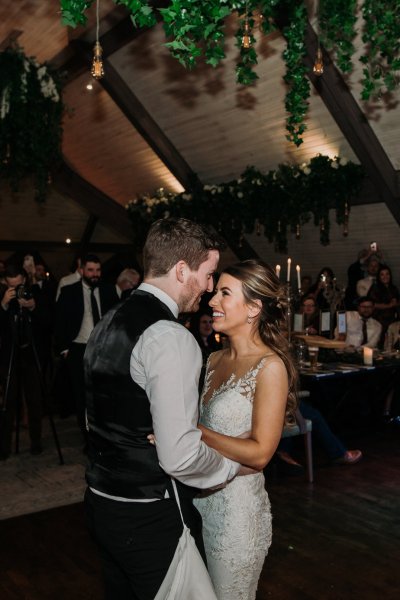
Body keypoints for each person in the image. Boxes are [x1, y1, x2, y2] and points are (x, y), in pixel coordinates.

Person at [84, 218, 240, 600]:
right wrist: (229, 468)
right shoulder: (170, 337)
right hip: (148, 513)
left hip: (99, 502)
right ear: (181, 269)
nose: (208, 288)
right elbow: (179, 456)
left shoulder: (107, 321)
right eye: (207, 274)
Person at [194, 259, 297, 600]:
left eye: (225, 293)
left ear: (253, 308)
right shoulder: (213, 359)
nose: (212, 300)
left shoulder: (270, 367)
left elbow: (260, 454)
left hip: (235, 520)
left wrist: (193, 432)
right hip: (197, 505)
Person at [54, 254, 119, 445]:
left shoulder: (108, 290)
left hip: (104, 350)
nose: (94, 274)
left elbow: (117, 320)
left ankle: (105, 436)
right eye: (90, 270)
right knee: (82, 395)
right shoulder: (68, 291)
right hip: (78, 350)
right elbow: (59, 322)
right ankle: (88, 438)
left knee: (105, 394)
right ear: (82, 270)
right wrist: (64, 349)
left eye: (97, 270)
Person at [0, 265, 49, 458]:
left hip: (30, 355)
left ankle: (36, 442)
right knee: (8, 404)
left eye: (19, 284)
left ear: (24, 280)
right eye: (12, 286)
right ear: (5, 283)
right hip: (9, 356)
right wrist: (3, 305)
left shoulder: (35, 293)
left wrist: (33, 306)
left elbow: (48, 321)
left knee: (34, 401)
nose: (17, 289)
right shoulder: (3, 297)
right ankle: (4, 447)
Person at [367, 264, 400, 344]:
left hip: (392, 320)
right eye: (382, 274)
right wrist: (389, 305)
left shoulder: (393, 288)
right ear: (379, 276)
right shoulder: (375, 288)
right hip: (379, 320)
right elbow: (371, 304)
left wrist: (396, 303)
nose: (385, 276)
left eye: (387, 274)